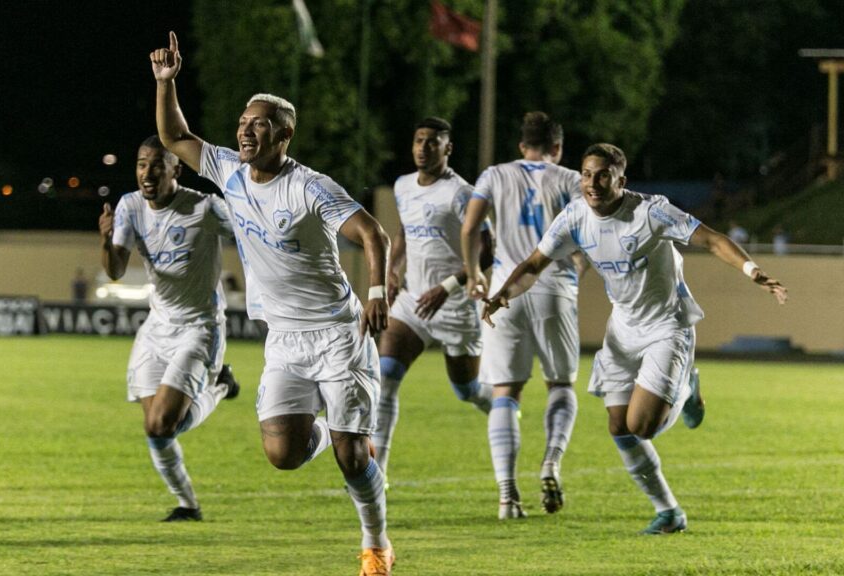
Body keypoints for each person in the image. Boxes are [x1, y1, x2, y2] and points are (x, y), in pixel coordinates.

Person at [151, 32, 395, 575]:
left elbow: (373, 234)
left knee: (352, 459)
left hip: (339, 334)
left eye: (258, 123)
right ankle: (338, 430)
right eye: (242, 121)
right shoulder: (229, 172)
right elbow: (175, 137)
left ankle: (375, 545)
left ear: (284, 134)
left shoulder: (310, 188)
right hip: (284, 340)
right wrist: (166, 84)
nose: (244, 128)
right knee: (282, 455)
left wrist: (376, 292)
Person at [483, 143, 788, 534]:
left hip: (667, 325)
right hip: (623, 329)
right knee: (618, 427)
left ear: (621, 181)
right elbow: (533, 264)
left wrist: (752, 270)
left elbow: (710, 239)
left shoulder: (651, 211)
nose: (592, 183)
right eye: (587, 175)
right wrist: (502, 295)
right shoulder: (575, 214)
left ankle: (687, 387)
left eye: (602, 176)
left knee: (642, 425)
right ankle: (670, 513)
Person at [99, 135, 241, 522]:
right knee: (157, 429)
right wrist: (106, 239)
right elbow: (114, 270)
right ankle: (188, 506)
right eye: (142, 164)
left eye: (157, 164)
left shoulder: (205, 208)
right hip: (158, 328)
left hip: (200, 327)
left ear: (176, 169)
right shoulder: (130, 206)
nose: (148, 172)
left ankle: (221, 386)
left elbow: (253, 232)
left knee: (162, 421)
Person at [461, 111, 586, 519]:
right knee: (561, 385)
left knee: (505, 393)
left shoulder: (494, 175)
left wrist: (475, 274)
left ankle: (506, 497)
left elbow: (470, 227)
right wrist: (579, 266)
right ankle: (550, 461)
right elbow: (587, 234)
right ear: (557, 147)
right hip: (554, 289)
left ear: (521, 146)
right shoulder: (569, 179)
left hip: (505, 289)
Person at [371, 117, 494, 483]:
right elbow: (404, 232)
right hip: (412, 303)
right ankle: (378, 473)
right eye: (419, 140)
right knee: (386, 376)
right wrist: (393, 272)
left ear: (448, 148)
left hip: (454, 305)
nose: (424, 148)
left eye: (432, 142)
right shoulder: (403, 185)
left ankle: (500, 406)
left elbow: (487, 250)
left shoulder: (461, 193)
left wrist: (447, 288)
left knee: (466, 390)